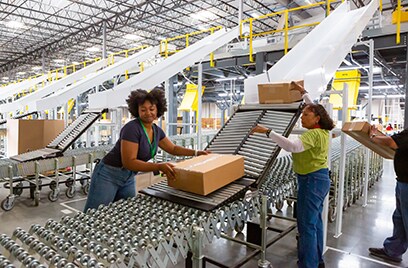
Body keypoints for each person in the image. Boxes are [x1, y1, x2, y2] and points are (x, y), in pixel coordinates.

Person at [250, 81, 335, 268]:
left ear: (317, 119)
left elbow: (292, 146)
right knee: (315, 224)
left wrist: (268, 131)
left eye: (306, 115)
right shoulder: (324, 131)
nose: (301, 117)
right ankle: (317, 260)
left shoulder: (312, 135)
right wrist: (303, 92)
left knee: (306, 226)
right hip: (319, 180)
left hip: (311, 181)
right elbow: (314, 107)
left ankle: (308, 264)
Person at [84, 88, 208, 211]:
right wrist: (159, 166)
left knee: (127, 212)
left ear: (158, 109)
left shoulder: (156, 131)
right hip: (108, 175)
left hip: (128, 177)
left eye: (151, 109)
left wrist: (196, 152)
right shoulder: (132, 129)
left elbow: (173, 148)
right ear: (137, 111)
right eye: (143, 110)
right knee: (94, 213)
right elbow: (129, 162)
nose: (148, 113)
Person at [368, 126, 408, 263]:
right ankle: (393, 250)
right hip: (403, 181)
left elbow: (392, 142)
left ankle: (393, 250)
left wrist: (373, 136)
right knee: (399, 218)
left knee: (404, 219)